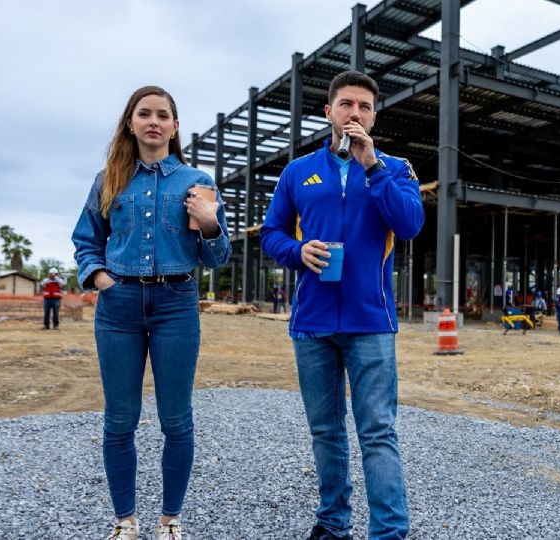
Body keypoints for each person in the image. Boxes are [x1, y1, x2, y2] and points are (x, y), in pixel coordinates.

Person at [260, 70, 423, 540]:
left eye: (365, 106)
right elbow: (271, 233)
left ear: (374, 116)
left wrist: (372, 166)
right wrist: (298, 251)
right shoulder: (297, 172)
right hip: (312, 322)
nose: (355, 113)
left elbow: (409, 224)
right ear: (328, 111)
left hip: (371, 322)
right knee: (326, 432)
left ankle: (388, 532)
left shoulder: (396, 168)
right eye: (347, 104)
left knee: (377, 433)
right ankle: (333, 524)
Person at [72, 85, 231, 540]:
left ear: (175, 126)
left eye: (163, 115)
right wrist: (100, 277)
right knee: (119, 419)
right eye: (145, 114)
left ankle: (170, 520)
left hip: (176, 306)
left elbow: (217, 258)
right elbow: (86, 239)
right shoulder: (109, 181)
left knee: (176, 419)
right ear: (131, 122)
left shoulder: (197, 182)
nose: (154, 122)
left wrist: (211, 221)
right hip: (118, 306)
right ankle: (125, 521)